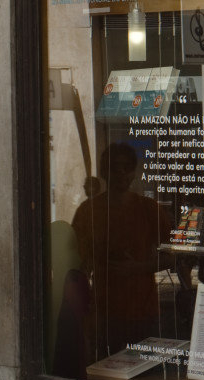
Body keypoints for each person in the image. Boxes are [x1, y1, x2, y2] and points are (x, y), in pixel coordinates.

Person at [72, 142, 169, 353]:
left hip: (143, 310)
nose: (121, 172)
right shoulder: (88, 211)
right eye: (114, 167)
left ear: (134, 172)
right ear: (105, 172)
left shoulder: (149, 209)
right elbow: (79, 263)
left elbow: (175, 256)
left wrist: (140, 267)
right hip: (104, 310)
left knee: (147, 377)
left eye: (127, 167)